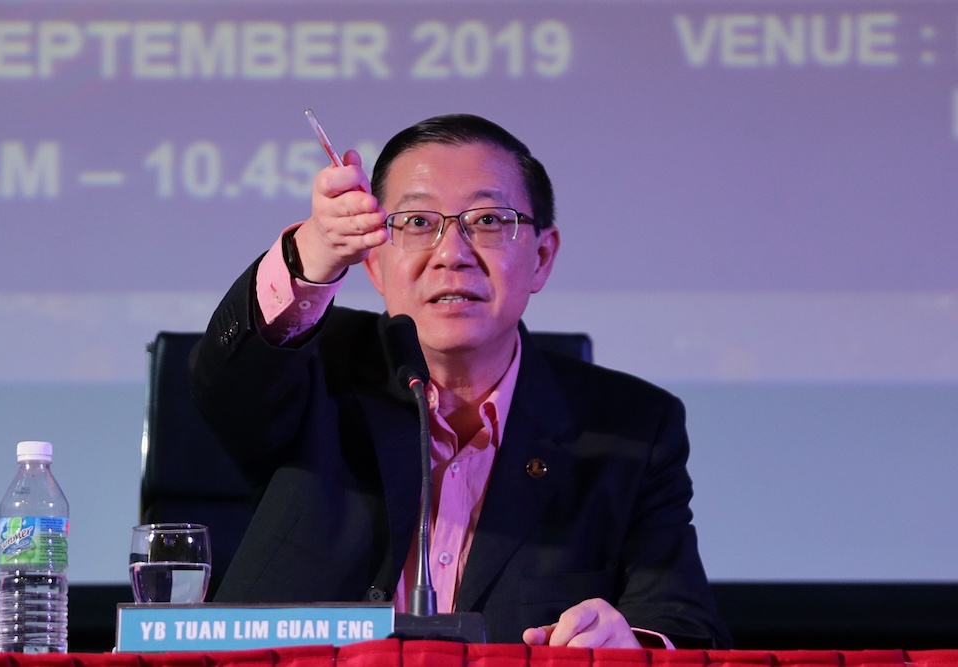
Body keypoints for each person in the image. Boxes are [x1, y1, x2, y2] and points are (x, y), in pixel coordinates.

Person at [189, 114, 731, 648]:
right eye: (419, 223)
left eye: (490, 221)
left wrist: (630, 647)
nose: (452, 254)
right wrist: (310, 256)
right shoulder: (311, 368)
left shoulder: (632, 428)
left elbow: (683, 627)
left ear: (541, 257)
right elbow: (230, 383)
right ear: (373, 263)